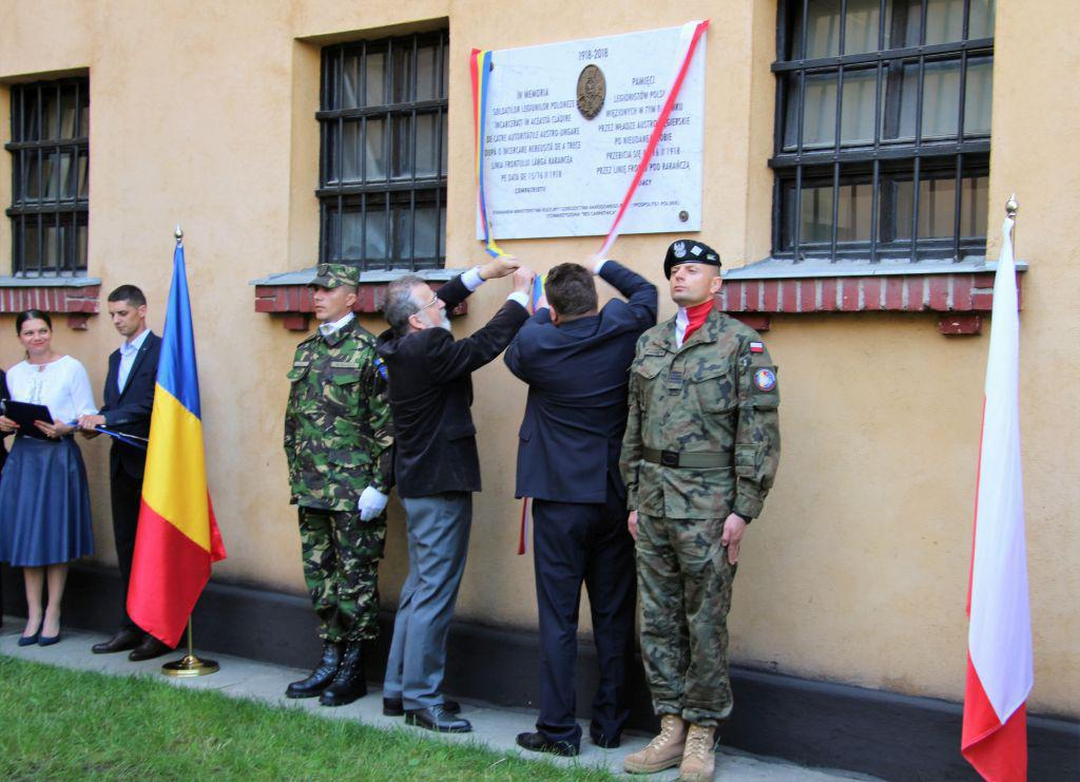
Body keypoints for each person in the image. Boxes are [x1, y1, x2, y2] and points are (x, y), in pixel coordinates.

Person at [619, 240, 781, 782]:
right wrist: (634, 496)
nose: (679, 277)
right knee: (657, 619)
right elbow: (634, 425)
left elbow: (758, 433)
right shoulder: (650, 342)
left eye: (691, 269)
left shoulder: (740, 345)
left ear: (716, 282)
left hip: (709, 507)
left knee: (705, 620)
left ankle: (702, 732)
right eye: (674, 270)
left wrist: (744, 509)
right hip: (654, 501)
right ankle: (670, 725)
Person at [503, 258, 657, 756]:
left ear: (552, 309)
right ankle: (611, 724)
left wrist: (534, 302)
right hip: (614, 496)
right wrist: (604, 263)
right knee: (614, 613)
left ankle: (558, 730)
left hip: (559, 499)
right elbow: (646, 294)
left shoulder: (536, 342)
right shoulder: (623, 328)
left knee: (558, 618)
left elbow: (522, 343)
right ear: (595, 299)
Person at [378, 256, 533, 733]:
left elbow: (436, 303)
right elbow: (482, 346)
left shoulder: (396, 341)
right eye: (432, 302)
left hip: (419, 483)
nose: (443, 304)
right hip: (440, 483)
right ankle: (423, 700)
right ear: (417, 320)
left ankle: (399, 689)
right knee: (435, 593)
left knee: (419, 588)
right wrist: (519, 297)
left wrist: (480, 276)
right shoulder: (430, 346)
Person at [282, 263, 393, 707]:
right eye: (315, 289)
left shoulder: (370, 351)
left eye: (328, 290)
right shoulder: (306, 350)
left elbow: (388, 427)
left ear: (352, 298)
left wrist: (381, 485)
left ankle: (353, 668)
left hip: (354, 490)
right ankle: (330, 656)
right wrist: (296, 472)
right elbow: (293, 421)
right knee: (320, 574)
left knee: (356, 578)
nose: (317, 296)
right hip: (312, 486)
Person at [77, 285, 167, 661]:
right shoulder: (117, 357)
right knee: (128, 548)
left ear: (142, 311)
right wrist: (91, 423)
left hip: (153, 464)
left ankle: (158, 631)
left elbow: (153, 403)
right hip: (121, 464)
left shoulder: (163, 350)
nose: (116, 320)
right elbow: (114, 404)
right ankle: (130, 625)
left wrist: (108, 419)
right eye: (112, 314)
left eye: (122, 313)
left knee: (155, 548)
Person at [0, 310, 97, 646]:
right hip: (24, 458)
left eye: (42, 330)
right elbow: (10, 414)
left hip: (57, 456)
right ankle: (33, 614)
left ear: (50, 332)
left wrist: (65, 427)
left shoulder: (71, 367)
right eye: (29, 333)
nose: (37, 338)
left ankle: (53, 612)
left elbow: (86, 415)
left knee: (55, 534)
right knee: (28, 534)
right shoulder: (14, 374)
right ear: (20, 338)